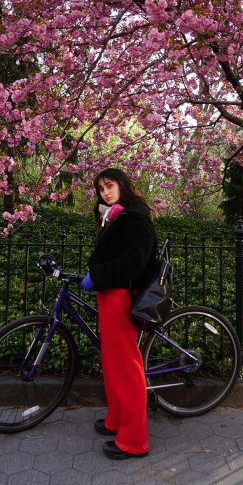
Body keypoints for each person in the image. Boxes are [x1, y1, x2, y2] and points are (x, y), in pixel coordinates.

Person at [79, 168, 156, 460]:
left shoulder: (134, 218)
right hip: (109, 293)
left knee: (126, 366)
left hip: (121, 296)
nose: (105, 193)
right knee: (112, 362)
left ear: (122, 185)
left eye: (109, 186)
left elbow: (131, 263)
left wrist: (96, 276)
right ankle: (117, 420)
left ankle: (135, 440)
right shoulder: (116, 216)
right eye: (100, 189)